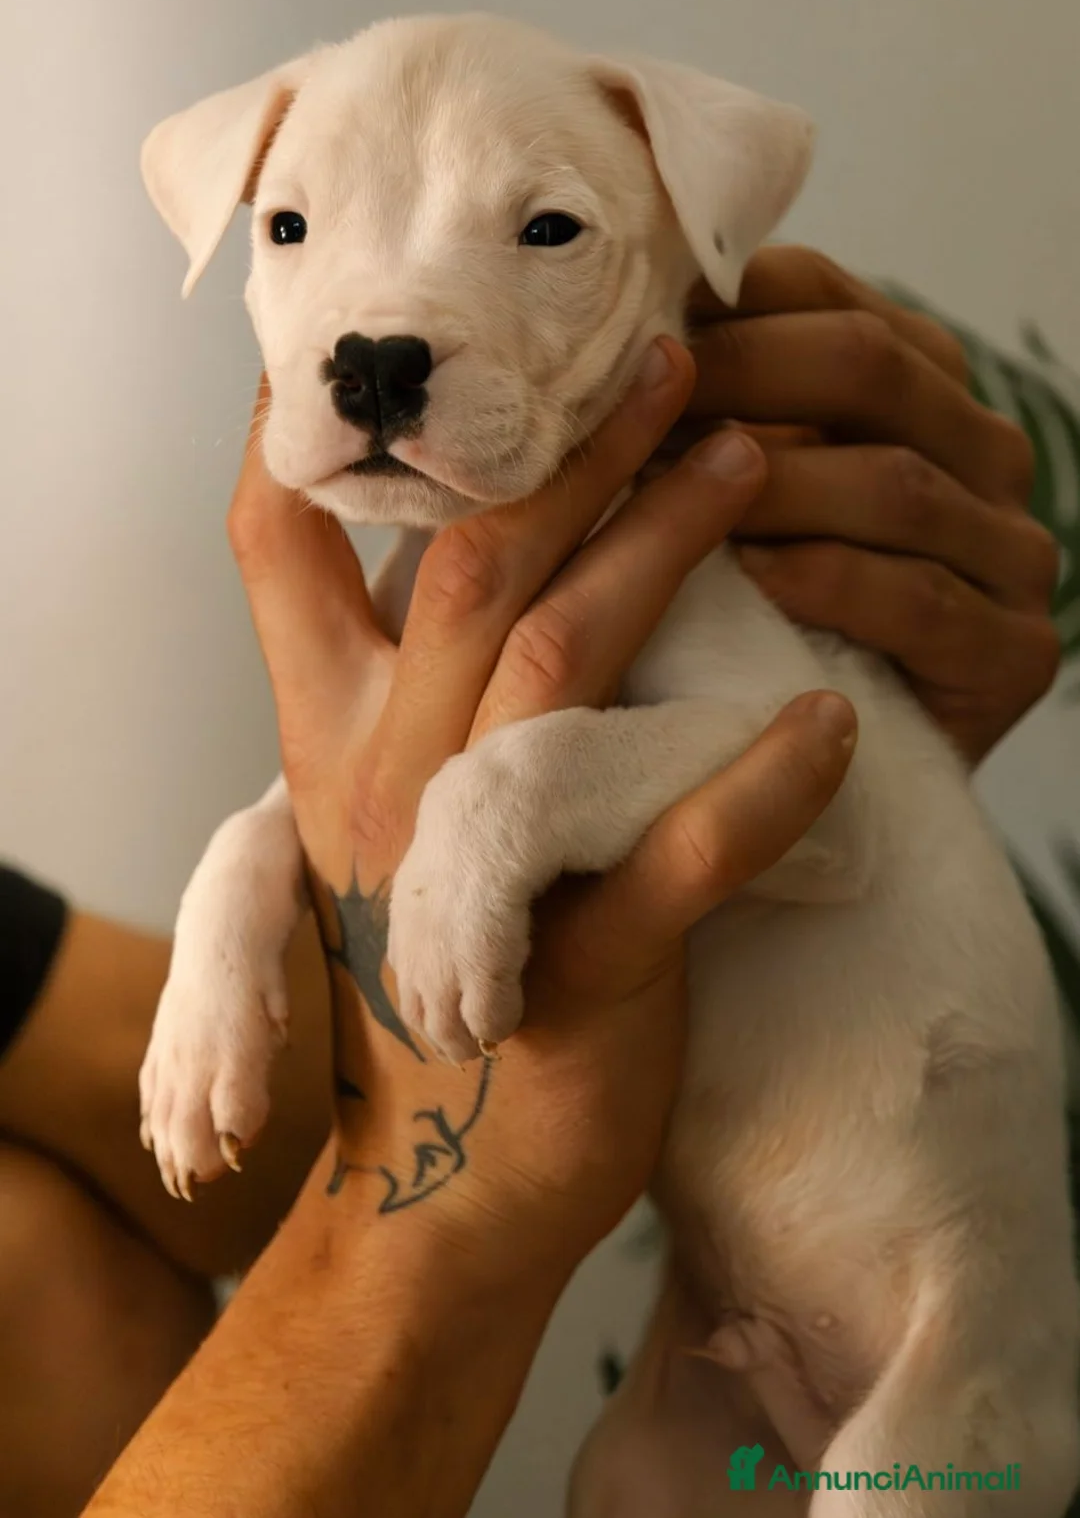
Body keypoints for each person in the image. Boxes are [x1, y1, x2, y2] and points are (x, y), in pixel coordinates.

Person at [0, 247, 1067, 1517]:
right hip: (728, 1371)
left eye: (549, 235)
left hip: (931, 1360)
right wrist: (444, 1200)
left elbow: (244, 1157)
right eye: (289, 229)